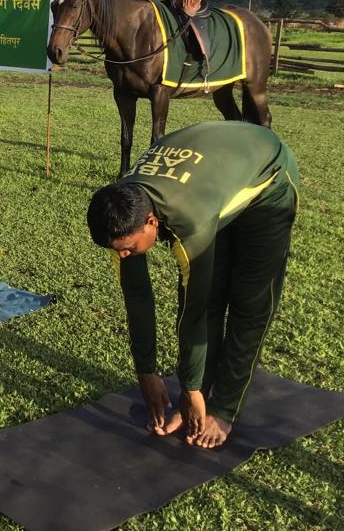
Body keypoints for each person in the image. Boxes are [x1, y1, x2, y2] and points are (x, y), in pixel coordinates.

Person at [86, 121, 299, 449]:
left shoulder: (190, 220)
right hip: (214, 177)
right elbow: (138, 298)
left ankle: (224, 408)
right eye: (119, 250)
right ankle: (201, 393)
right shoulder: (123, 208)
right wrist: (145, 371)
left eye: (128, 248)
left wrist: (190, 388)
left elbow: (193, 313)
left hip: (267, 180)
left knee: (248, 302)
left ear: (152, 222)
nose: (124, 254)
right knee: (210, 293)